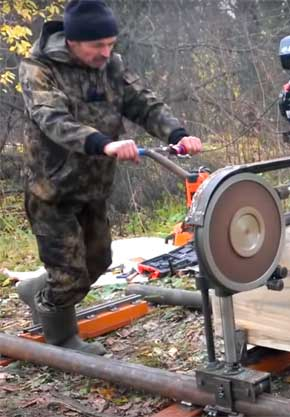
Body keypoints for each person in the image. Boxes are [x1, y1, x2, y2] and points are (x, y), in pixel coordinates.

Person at [16, 0, 202, 355]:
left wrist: (177, 133)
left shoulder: (111, 66)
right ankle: (63, 340)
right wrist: (104, 144)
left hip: (94, 187)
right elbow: (52, 120)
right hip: (52, 189)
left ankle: (39, 289)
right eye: (97, 46)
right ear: (72, 41)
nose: (106, 52)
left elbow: (143, 103)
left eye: (111, 43)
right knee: (70, 276)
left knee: (98, 261)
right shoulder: (39, 68)